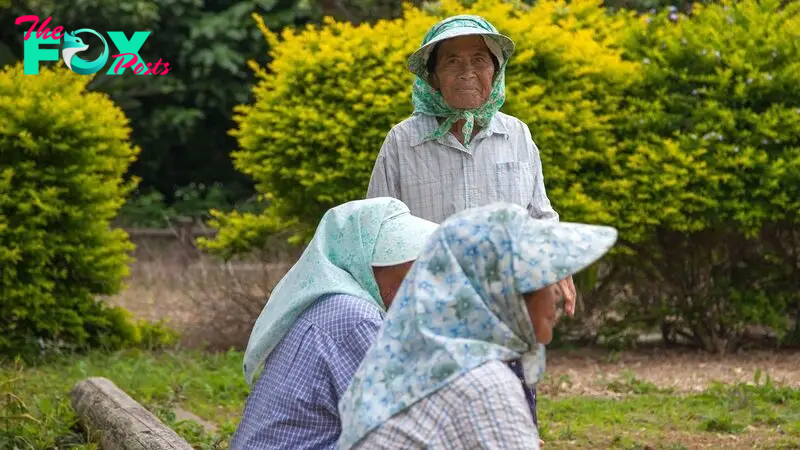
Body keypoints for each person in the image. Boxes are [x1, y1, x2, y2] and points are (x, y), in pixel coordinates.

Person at [365, 14, 577, 434]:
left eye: (480, 59)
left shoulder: (517, 134)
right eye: (452, 61)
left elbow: (538, 216)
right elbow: (376, 232)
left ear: (496, 71)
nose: (467, 72)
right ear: (431, 76)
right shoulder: (402, 141)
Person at [337, 202, 618, 450]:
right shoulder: (482, 383)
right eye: (544, 281)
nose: (557, 294)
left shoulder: (437, 359)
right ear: (506, 297)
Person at [231, 197, 439, 450]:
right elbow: (405, 422)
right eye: (404, 266)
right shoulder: (354, 316)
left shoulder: (325, 302)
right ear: (367, 263)